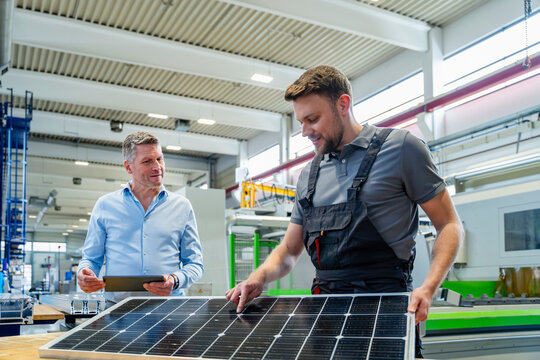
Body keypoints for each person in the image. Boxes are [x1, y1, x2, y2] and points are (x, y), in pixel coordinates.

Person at [225, 66, 463, 357]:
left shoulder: (402, 149)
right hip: (325, 318)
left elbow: (449, 224)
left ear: (343, 104)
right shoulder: (308, 175)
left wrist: (429, 287)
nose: (305, 132)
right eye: (301, 122)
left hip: (386, 311)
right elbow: (289, 250)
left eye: (313, 119)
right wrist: (257, 277)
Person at [77, 131, 204, 302]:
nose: (157, 167)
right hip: (117, 312)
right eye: (147, 161)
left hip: (168, 311)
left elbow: (195, 264)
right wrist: (84, 273)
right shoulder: (105, 206)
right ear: (129, 167)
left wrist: (174, 280)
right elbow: (91, 258)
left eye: (160, 159)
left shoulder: (182, 206)